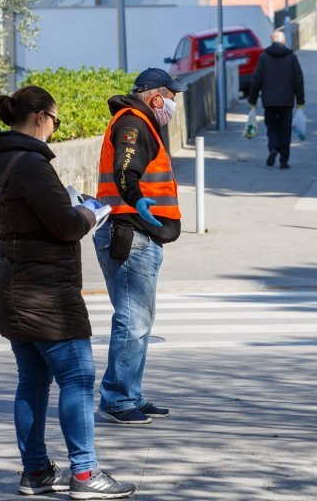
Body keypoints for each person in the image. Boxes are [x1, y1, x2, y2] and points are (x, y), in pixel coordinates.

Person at [0, 86, 135, 498]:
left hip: (11, 284)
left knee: (31, 379)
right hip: (45, 290)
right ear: (40, 117)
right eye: (56, 120)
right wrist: (88, 211)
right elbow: (64, 224)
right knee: (78, 377)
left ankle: (36, 472)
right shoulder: (31, 162)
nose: (54, 128)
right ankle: (84, 474)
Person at [94, 68, 186, 424]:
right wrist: (137, 199)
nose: (173, 104)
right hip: (130, 232)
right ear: (155, 96)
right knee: (132, 319)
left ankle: (129, 393)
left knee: (140, 318)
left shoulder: (142, 123)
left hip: (138, 233)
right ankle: (117, 400)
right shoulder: (133, 124)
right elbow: (124, 170)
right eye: (171, 97)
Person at [248, 30, 305, 169]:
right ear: (284, 41)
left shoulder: (264, 57)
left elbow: (256, 80)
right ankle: (284, 161)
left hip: (269, 101)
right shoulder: (291, 57)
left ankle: (273, 147)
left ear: (272, 41)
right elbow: (298, 79)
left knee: (272, 127)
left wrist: (253, 99)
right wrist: (300, 100)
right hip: (286, 101)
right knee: (285, 129)